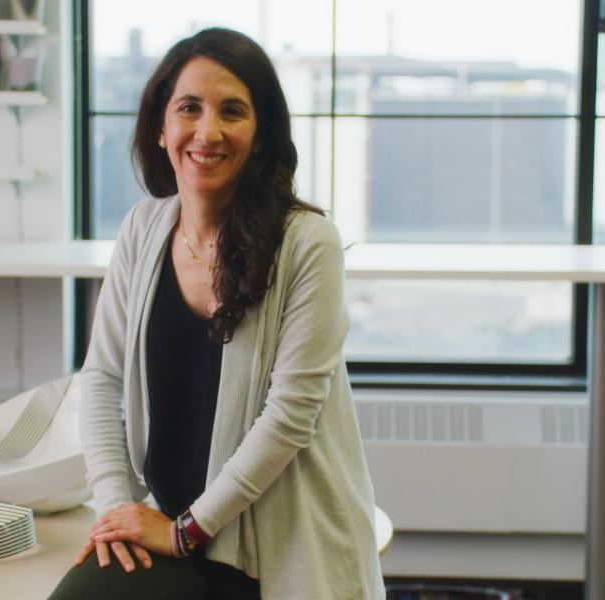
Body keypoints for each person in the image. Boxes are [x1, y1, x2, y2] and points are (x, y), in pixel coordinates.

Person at [48, 27, 384, 600]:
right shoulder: (141, 230)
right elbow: (101, 382)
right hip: (164, 526)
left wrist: (186, 532)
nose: (208, 131)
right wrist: (115, 513)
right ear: (161, 127)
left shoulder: (308, 243)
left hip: (274, 543)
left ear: (261, 135)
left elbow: (289, 416)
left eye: (233, 111)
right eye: (189, 108)